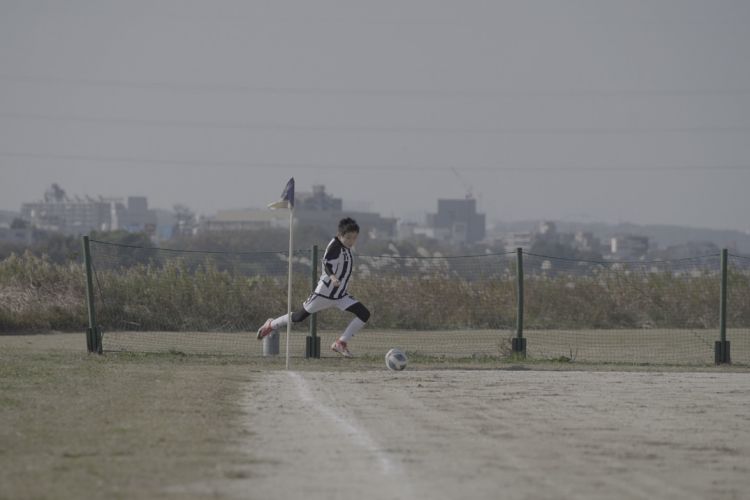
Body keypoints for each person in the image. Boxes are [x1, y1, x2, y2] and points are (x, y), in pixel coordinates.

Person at [256, 217, 370, 357]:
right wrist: (333, 277)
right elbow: (326, 264)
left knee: (364, 313)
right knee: (298, 317)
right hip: (323, 294)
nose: (351, 241)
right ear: (340, 235)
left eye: (354, 238)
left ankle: (341, 343)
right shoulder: (335, 246)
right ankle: (271, 324)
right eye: (348, 238)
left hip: (340, 295)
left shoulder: (347, 248)